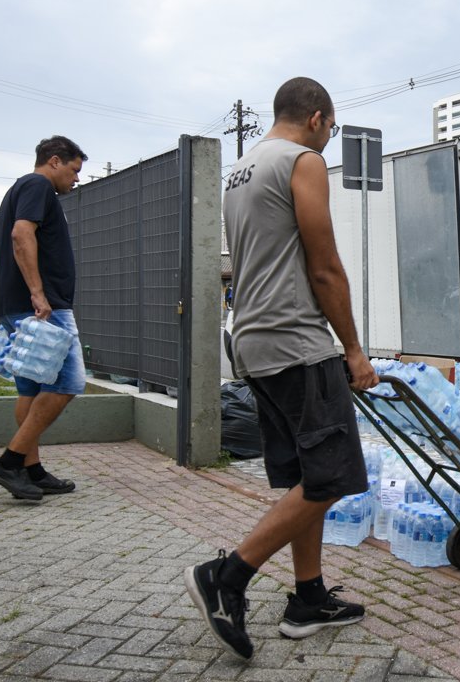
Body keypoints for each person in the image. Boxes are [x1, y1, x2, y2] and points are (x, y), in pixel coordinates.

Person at [183, 77, 379, 661]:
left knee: (306, 478)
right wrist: (353, 348)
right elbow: (324, 267)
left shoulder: (241, 171)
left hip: (254, 343)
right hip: (298, 342)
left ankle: (309, 597)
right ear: (317, 118)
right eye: (332, 128)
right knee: (332, 477)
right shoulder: (303, 161)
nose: (328, 138)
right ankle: (228, 577)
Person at [0, 136, 88, 502]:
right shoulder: (38, 185)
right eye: (74, 170)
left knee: (31, 388)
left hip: (18, 305)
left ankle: (32, 470)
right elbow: (20, 234)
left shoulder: (18, 190)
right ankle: (9, 463)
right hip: (43, 307)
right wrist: (38, 293)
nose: (76, 179)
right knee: (68, 383)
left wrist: (18, 288)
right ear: (55, 161)